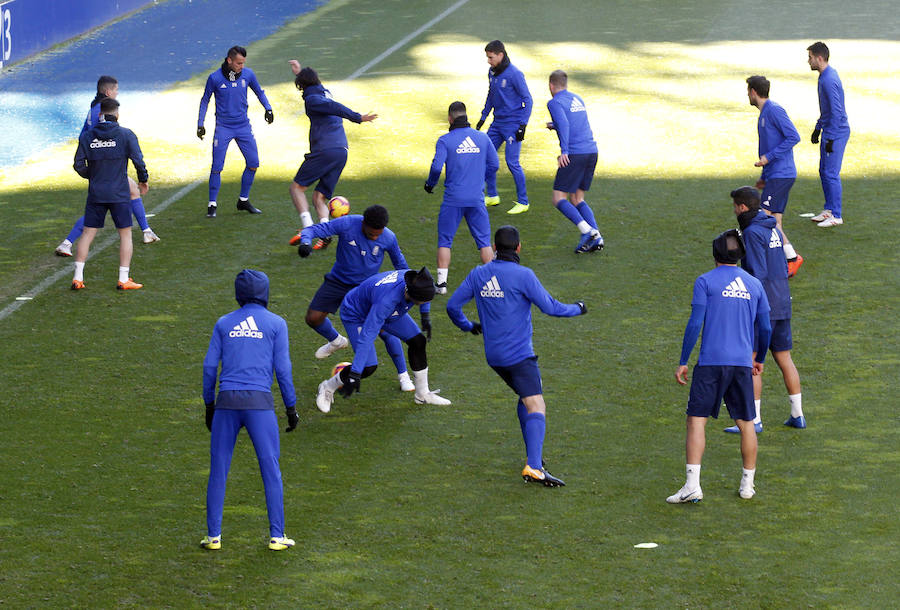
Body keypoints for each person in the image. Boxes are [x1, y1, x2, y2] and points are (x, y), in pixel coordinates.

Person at [446, 225, 587, 487]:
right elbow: (551, 308)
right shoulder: (523, 275)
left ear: (495, 248)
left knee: (526, 400)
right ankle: (534, 467)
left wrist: (468, 326)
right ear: (519, 247)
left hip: (495, 357)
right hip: (519, 356)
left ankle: (535, 458)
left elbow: (452, 306)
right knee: (537, 404)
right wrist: (578, 309)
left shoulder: (479, 274)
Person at [669, 229, 771, 503]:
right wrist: (759, 358)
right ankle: (747, 486)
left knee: (696, 421)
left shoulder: (705, 281)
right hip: (740, 364)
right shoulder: (754, 284)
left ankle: (692, 486)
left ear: (714, 254)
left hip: (711, 363)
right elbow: (765, 327)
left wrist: (683, 360)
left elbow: (694, 324)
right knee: (747, 423)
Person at [201, 269, 299, 551]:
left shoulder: (223, 323)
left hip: (227, 403)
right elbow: (283, 369)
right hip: (259, 404)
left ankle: (214, 536)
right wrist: (291, 407)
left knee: (219, 469)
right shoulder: (276, 324)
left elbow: (209, 367)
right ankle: (277, 536)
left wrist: (210, 404)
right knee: (271, 469)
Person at [296, 204, 426, 391]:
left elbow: (402, 266)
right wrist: (306, 243)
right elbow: (313, 229)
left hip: (366, 289)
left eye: (378, 235)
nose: (375, 237)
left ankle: (403, 375)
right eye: (371, 234)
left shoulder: (388, 237)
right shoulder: (347, 224)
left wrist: (410, 287)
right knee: (313, 318)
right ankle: (336, 340)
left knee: (385, 331)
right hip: (338, 282)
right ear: (364, 223)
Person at [725, 187, 806, 433]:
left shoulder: (750, 232)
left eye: (735, 206)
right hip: (782, 300)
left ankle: (754, 420)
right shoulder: (772, 227)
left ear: (742, 207)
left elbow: (755, 274)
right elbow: (783, 263)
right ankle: (797, 414)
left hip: (762, 306)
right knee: (785, 358)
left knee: (751, 362)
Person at [314, 267, 450, 413]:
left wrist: (425, 316)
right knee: (368, 366)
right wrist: (355, 374)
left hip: (386, 309)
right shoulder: (387, 300)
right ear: (412, 295)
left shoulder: (416, 281)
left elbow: (426, 294)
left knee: (418, 341)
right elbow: (367, 335)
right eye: (422, 302)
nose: (425, 303)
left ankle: (422, 394)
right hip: (357, 314)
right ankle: (327, 387)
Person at [55, 75, 158, 256]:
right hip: (105, 164)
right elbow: (102, 136)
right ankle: (67, 243)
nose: (118, 94)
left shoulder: (95, 107)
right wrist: (95, 170)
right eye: (116, 90)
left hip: (100, 164)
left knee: (131, 192)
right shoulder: (100, 111)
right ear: (109, 92)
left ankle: (147, 231)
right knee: (100, 210)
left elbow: (83, 135)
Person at [287, 61, 377, 249]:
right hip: (341, 151)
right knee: (319, 197)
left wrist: (357, 117)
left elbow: (335, 107)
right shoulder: (324, 91)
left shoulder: (313, 100)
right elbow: (317, 88)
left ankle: (308, 230)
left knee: (297, 188)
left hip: (325, 150)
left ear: (301, 86)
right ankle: (326, 234)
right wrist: (299, 72)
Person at [71, 98, 148, 291]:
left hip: (96, 192)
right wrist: (143, 180)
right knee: (125, 234)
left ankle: (77, 277)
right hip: (119, 192)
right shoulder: (126, 135)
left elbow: (78, 165)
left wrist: (94, 176)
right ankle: (123, 278)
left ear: (100, 115)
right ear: (117, 115)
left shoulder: (88, 136)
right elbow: (138, 160)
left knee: (88, 233)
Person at [424, 101, 499, 294]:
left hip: (453, 200)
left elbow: (435, 167)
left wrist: (430, 184)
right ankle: (494, 281)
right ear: (466, 115)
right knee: (484, 241)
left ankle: (441, 284)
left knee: (445, 240)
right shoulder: (482, 138)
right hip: (476, 198)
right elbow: (495, 164)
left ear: (450, 118)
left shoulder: (445, 140)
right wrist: (480, 178)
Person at [197, 45, 273, 218]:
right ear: (229, 60)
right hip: (223, 127)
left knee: (253, 163)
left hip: (243, 126)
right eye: (238, 63)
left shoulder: (248, 75)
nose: (241, 66)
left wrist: (268, 108)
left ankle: (243, 200)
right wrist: (200, 124)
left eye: (243, 63)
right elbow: (205, 100)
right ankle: (212, 204)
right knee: (217, 167)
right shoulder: (215, 78)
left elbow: (259, 92)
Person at [746, 75, 803, 276]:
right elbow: (767, 147)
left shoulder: (774, 110)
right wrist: (764, 174)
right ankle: (785, 259)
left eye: (748, 91)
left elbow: (794, 136)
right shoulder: (763, 115)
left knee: (763, 217)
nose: (747, 95)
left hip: (782, 175)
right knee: (775, 221)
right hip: (775, 175)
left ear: (753, 92)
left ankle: (792, 257)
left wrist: (769, 158)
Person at [545, 70, 604, 254]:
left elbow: (565, 124)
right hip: (591, 152)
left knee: (558, 198)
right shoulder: (577, 99)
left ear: (551, 86)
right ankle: (597, 236)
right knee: (577, 198)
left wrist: (564, 151)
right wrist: (554, 126)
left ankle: (588, 232)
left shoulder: (554, 102)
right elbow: (573, 123)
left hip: (575, 154)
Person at [477, 40, 532, 215]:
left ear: (501, 55)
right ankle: (492, 196)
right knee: (486, 157)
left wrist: (522, 125)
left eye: (491, 57)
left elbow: (528, 99)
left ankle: (523, 201)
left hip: (512, 125)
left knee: (512, 162)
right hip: (497, 123)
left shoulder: (515, 74)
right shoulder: (492, 72)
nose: (488, 61)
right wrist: (483, 117)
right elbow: (491, 95)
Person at [807, 41, 850, 228]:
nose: (808, 61)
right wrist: (818, 128)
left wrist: (831, 137)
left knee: (831, 173)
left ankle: (837, 215)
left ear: (819, 58)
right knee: (823, 171)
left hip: (836, 132)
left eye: (809, 58)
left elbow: (836, 111)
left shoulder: (829, 79)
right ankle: (829, 210)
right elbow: (826, 109)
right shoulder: (824, 77)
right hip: (830, 131)